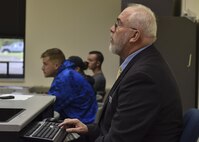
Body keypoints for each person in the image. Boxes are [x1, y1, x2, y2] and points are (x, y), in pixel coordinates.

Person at [59, 4, 183, 142]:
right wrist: (88, 129)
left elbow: (119, 139)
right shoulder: (140, 63)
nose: (111, 29)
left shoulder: (143, 77)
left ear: (134, 35)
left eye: (118, 24)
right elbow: (114, 126)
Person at [41, 48, 98, 124]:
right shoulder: (68, 73)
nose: (42, 68)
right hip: (85, 118)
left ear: (56, 65)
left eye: (45, 64)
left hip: (82, 123)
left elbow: (51, 107)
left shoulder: (64, 78)